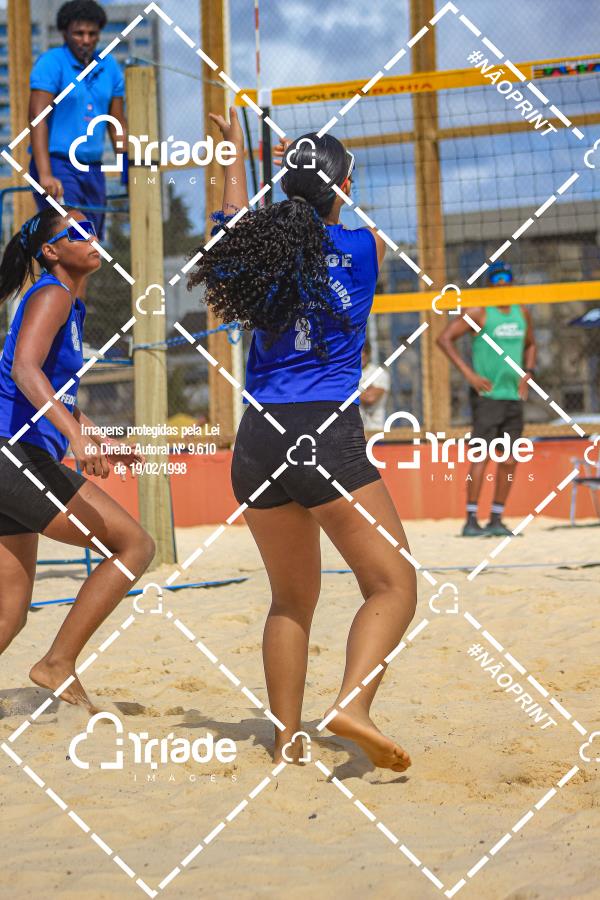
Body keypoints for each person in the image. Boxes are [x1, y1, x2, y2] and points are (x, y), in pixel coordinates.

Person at [187, 108, 416, 772]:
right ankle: (352, 705)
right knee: (394, 585)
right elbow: (345, 216)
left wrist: (236, 155)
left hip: (258, 438)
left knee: (290, 599)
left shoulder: (256, 256)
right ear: (343, 186)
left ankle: (287, 738)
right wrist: (313, 174)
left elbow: (233, 221)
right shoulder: (366, 249)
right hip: (322, 431)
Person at [0, 207, 154, 712]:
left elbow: (57, 395)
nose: (93, 237)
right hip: (13, 454)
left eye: (94, 229)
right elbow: (24, 369)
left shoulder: (70, 302)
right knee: (135, 545)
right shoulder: (52, 294)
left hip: (15, 455)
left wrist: (98, 439)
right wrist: (77, 441)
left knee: (8, 613)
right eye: (79, 232)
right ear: (51, 251)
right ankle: (57, 663)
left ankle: (57, 663)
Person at [436, 261, 537, 537]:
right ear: (490, 285)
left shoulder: (521, 312)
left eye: (506, 279)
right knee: (482, 455)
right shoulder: (479, 312)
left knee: (510, 459)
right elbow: (444, 338)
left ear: (512, 282)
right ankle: (471, 520)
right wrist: (469, 374)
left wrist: (529, 372)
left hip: (513, 396)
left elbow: (531, 344)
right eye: (496, 280)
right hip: (487, 396)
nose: (502, 284)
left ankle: (496, 519)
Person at [28, 0, 127, 240]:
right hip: (57, 164)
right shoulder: (51, 63)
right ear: (65, 33)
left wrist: (127, 166)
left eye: (92, 34)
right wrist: (45, 174)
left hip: (93, 167)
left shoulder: (110, 67)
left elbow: (117, 123)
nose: (86, 40)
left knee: (92, 243)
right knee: (71, 238)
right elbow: (37, 118)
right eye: (79, 33)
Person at [359, 339, 390, 431]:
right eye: (359, 351)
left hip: (375, 430)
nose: (362, 354)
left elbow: (370, 398)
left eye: (365, 351)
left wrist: (347, 393)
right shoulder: (348, 374)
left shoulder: (379, 373)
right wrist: (362, 392)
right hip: (354, 430)